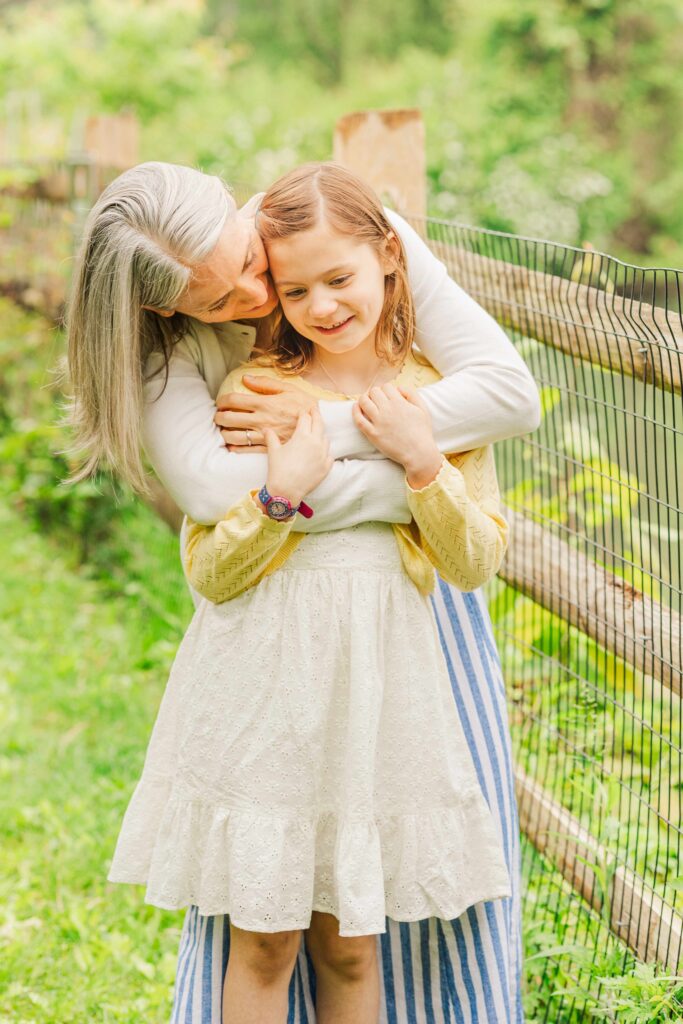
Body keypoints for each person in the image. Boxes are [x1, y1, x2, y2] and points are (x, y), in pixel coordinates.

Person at [66, 160, 539, 1023]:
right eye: (221, 300)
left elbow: (508, 397)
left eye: (252, 263)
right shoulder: (183, 354)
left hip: (392, 647)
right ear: (168, 311)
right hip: (272, 661)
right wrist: (398, 479)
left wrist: (333, 439)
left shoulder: (336, 233)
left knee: (354, 933)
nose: (259, 296)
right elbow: (215, 500)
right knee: (267, 922)